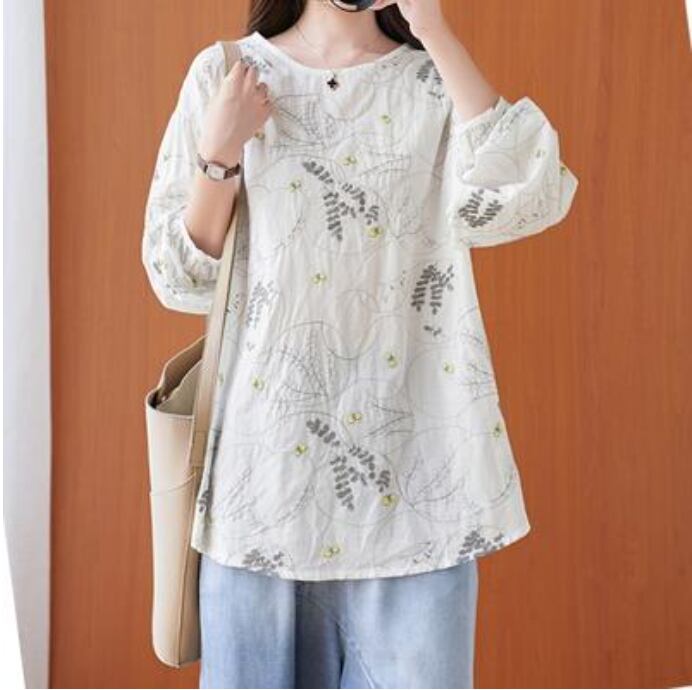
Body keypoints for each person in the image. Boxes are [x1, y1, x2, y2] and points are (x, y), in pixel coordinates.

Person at [141, 0, 579, 687]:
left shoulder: (432, 81)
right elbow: (178, 276)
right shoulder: (228, 74)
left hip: (415, 497)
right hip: (263, 489)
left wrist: (433, 29)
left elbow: (526, 195)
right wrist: (219, 156)